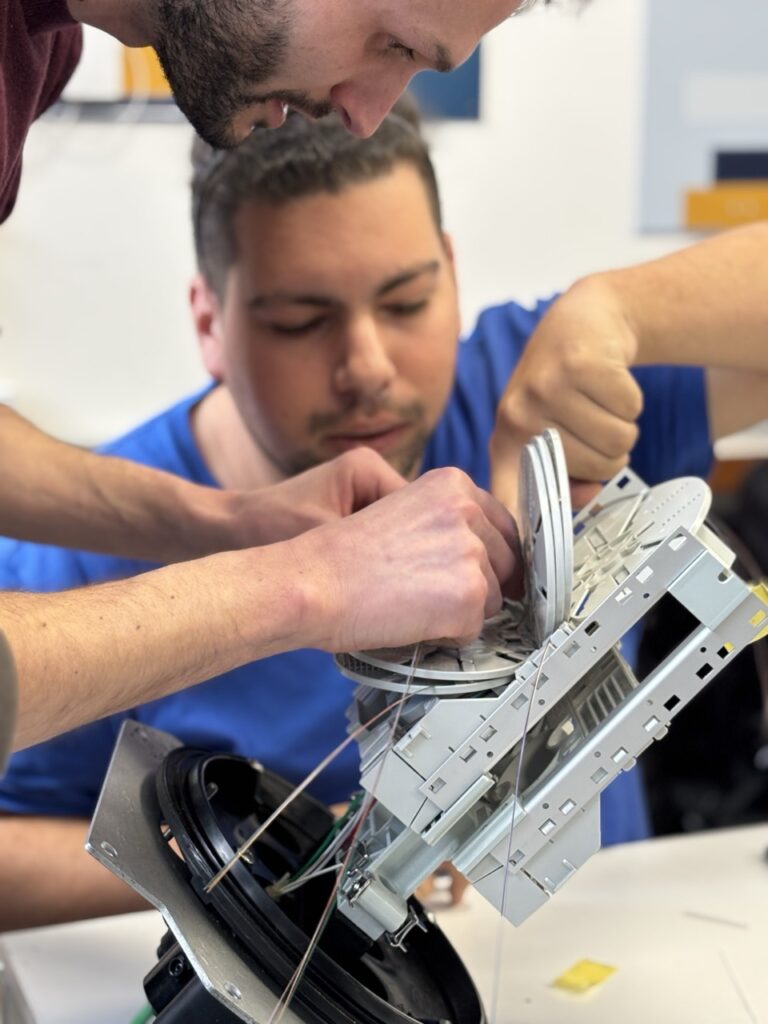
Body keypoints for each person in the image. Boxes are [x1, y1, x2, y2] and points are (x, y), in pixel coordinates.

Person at [2, 104, 765, 930]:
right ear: (209, 322)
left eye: (406, 303)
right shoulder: (83, 547)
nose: (366, 368)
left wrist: (620, 309)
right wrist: (282, 853)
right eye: (300, 322)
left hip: (616, 951)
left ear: (451, 273)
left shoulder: (540, 394)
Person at [0, 0, 527, 757]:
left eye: (407, 302)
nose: (364, 115)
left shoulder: (37, 51)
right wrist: (304, 584)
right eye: (391, 42)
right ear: (210, 322)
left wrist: (226, 522)